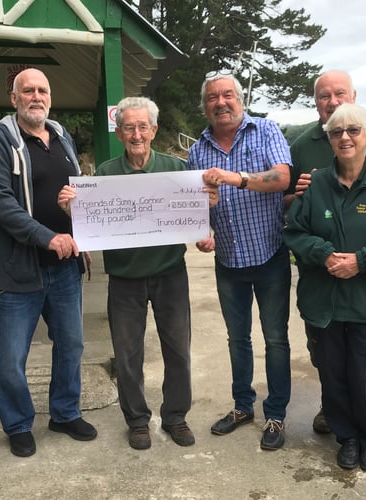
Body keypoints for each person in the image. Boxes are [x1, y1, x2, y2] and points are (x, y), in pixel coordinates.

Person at [58, 97, 219, 450]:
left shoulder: (177, 168)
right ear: (119, 132)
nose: (136, 134)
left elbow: (196, 221)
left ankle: (176, 416)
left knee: (178, 350)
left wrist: (205, 220)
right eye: (129, 127)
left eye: (142, 127)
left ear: (154, 130)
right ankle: (137, 420)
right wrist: (73, 209)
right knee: (128, 354)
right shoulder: (104, 174)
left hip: (169, 274)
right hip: (124, 278)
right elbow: (91, 222)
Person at [284, 103, 366, 471]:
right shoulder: (317, 183)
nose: (345, 137)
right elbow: (295, 232)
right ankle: (347, 438)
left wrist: (362, 261)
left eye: (353, 130)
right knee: (333, 374)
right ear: (329, 139)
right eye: (336, 132)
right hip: (322, 302)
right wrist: (324, 255)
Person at [0, 67, 96, 458]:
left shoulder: (62, 138)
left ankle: (64, 413)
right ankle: (18, 423)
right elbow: (1, 205)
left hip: (65, 267)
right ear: (14, 99)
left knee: (71, 345)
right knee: (12, 357)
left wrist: (87, 232)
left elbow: (76, 194)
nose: (36, 96)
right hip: (18, 268)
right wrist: (48, 237)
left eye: (42, 90)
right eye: (27, 90)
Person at [189, 70, 292, 451]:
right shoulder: (198, 148)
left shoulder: (265, 130)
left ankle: (276, 413)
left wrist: (236, 178)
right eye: (213, 97)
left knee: (276, 339)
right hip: (228, 261)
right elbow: (193, 202)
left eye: (227, 95)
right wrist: (202, 227)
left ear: (240, 99)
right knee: (237, 339)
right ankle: (242, 406)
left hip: (270, 256)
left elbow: (282, 177)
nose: (221, 102)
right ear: (206, 106)